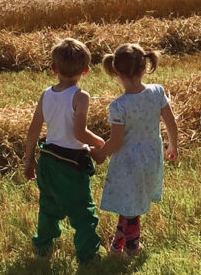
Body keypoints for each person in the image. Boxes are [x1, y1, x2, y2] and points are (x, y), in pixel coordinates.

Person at [89, 43, 179, 257]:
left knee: (131, 210)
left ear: (116, 72)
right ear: (145, 67)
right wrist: (173, 145)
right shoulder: (157, 92)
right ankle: (115, 248)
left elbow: (117, 141)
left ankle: (132, 250)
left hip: (129, 163)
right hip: (151, 157)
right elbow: (171, 123)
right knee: (130, 206)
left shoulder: (119, 106)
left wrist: (101, 153)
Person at [23, 37, 107, 263]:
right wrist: (99, 141)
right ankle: (88, 256)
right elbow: (79, 133)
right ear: (86, 71)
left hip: (47, 160)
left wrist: (29, 160)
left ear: (53, 68)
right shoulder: (80, 96)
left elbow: (33, 131)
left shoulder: (46, 94)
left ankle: (43, 248)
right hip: (70, 164)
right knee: (82, 211)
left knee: (48, 208)